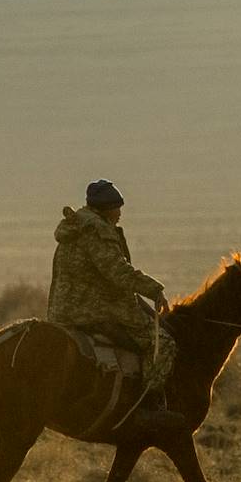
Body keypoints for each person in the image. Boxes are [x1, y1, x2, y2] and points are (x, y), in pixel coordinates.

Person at [50, 179, 183, 433]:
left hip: (63, 308)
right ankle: (147, 405)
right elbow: (117, 272)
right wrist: (154, 289)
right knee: (163, 343)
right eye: (116, 208)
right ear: (106, 208)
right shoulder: (97, 231)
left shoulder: (75, 226)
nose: (120, 213)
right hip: (95, 308)